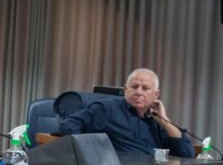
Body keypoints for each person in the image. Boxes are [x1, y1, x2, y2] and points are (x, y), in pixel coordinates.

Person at [59, 68, 194, 158]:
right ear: (125, 89)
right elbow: (69, 125)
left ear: (156, 94)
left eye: (145, 88)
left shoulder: (157, 121)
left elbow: (187, 154)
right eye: (134, 87)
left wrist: (164, 119)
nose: (138, 92)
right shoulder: (106, 108)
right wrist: (91, 154)